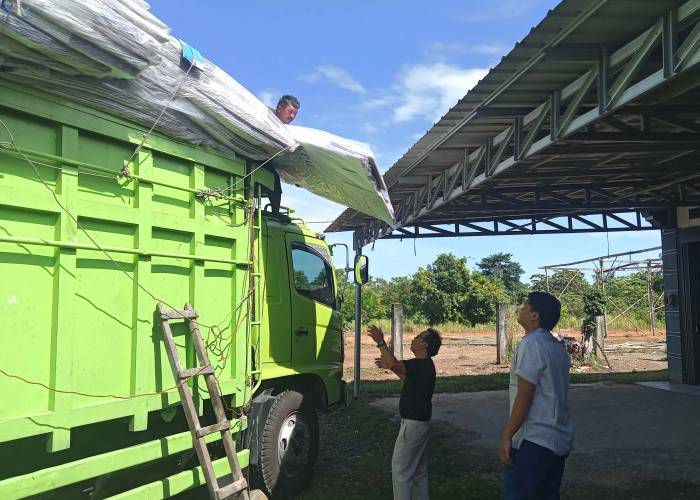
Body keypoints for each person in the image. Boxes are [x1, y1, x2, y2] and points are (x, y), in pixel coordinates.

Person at [499, 292, 574, 500]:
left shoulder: (531, 344)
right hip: (558, 439)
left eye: (525, 306)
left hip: (534, 440)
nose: (520, 309)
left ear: (535, 315)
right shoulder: (556, 348)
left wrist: (507, 435)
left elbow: (525, 396)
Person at [368, 324, 442, 500]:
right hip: (421, 424)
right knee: (418, 472)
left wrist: (380, 341)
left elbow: (395, 364)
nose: (414, 338)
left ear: (424, 345)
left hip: (413, 426)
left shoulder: (420, 364)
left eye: (418, 336)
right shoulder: (425, 365)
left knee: (401, 470)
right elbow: (403, 373)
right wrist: (391, 366)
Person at [265, 95, 300, 213]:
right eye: (290, 111)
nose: (292, 116)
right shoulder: (266, 118)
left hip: (264, 157)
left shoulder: (285, 130)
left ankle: (275, 211)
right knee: (273, 178)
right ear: (280, 108)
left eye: (295, 113)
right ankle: (275, 212)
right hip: (252, 155)